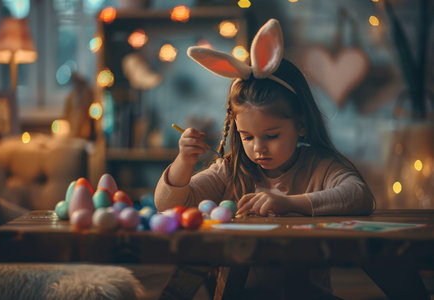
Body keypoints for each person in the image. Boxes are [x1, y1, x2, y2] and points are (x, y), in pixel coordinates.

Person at [155, 19, 375, 299]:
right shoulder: (231, 169)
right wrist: (184, 161)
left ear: (301, 125)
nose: (258, 148)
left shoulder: (319, 166)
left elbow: (359, 196)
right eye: (247, 137)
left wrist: (288, 203)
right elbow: (166, 205)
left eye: (271, 136)